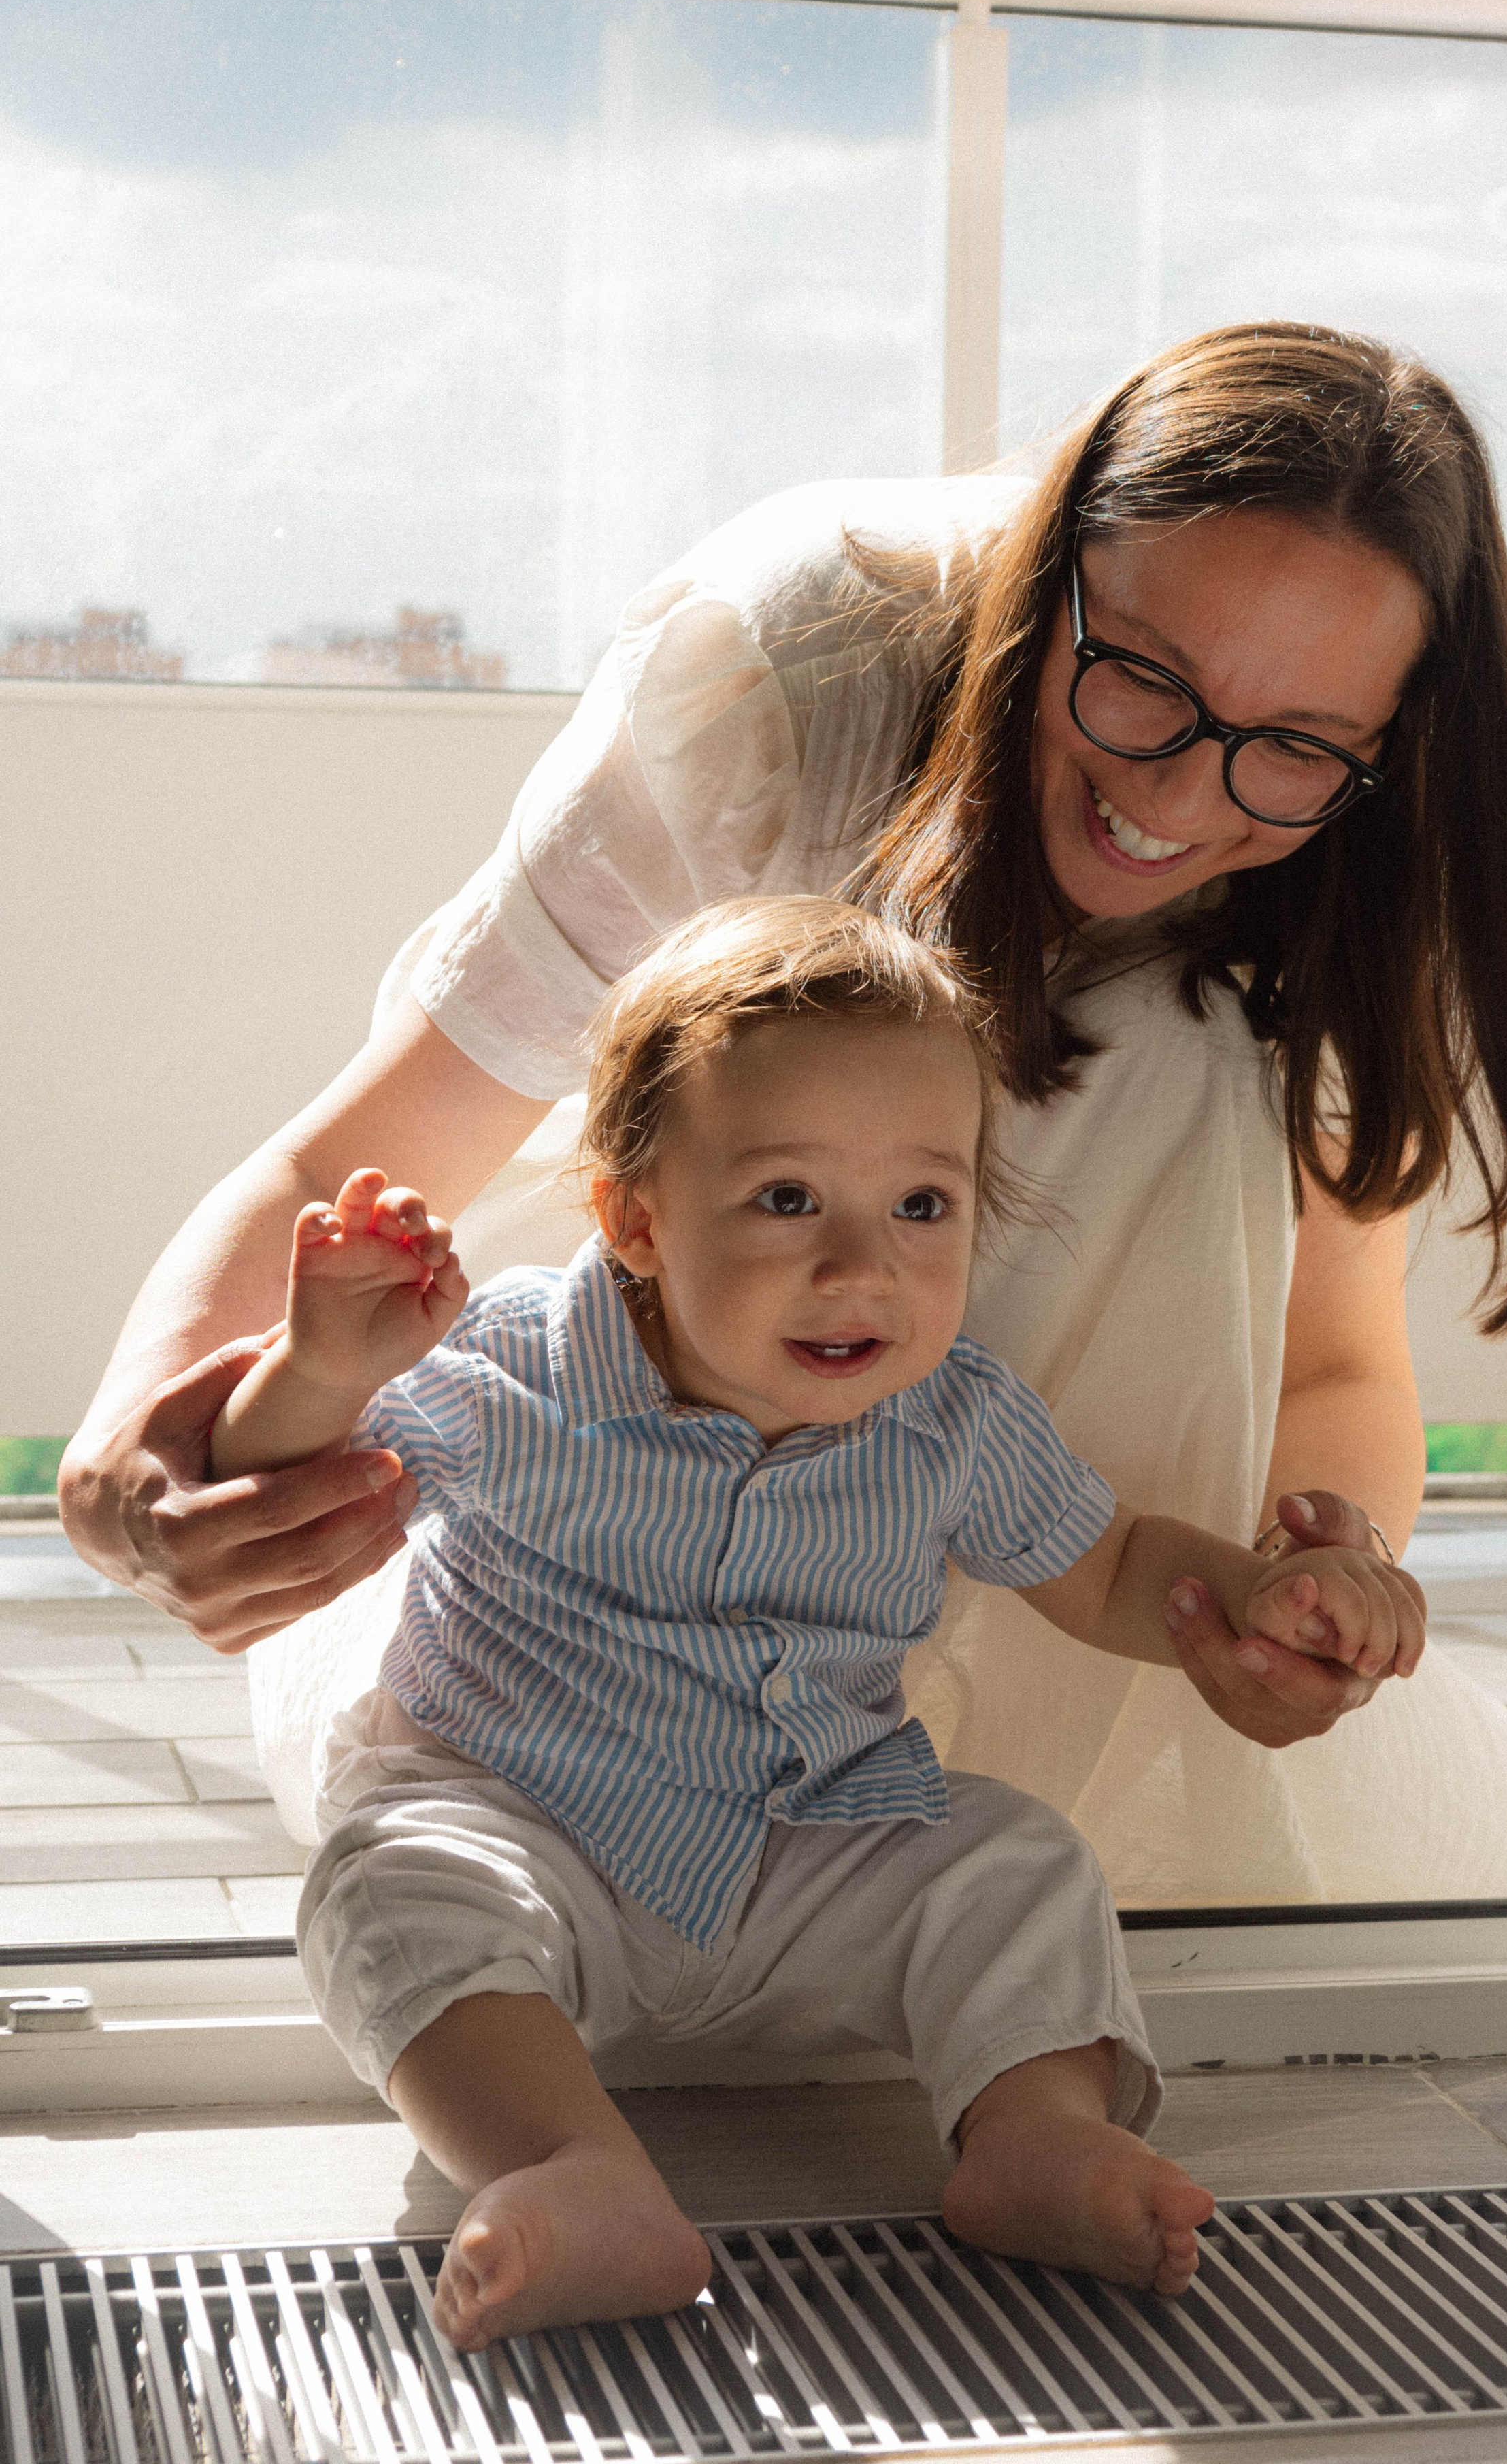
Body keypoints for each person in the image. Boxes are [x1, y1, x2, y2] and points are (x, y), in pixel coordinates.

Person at [60, 321, 1507, 1903]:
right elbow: (375, 1145)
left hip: (1033, 1577)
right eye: (1137, 680)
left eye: (1294, 748)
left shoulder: (1351, 858)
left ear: (1385, 747)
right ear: (1044, 573)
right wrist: (133, 1444)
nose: (1178, 796)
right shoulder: (793, 672)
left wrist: (1305, 1592)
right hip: (603, 1545)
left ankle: (994, 1828)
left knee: (1174, 1047)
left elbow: (1325, 1362)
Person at [208, 900, 1417, 2346]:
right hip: (522, 1819)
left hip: (815, 1844)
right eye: (787, 1200)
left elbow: (1109, 1570)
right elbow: (273, 1478)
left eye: (923, 1207)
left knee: (1018, 1860)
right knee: (387, 1885)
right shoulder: (512, 1366)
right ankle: (569, 2165)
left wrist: (1258, 1595)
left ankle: (1030, 2132)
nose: (863, 1268)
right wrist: (318, 1366)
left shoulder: (952, 1417)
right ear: (636, 1219)